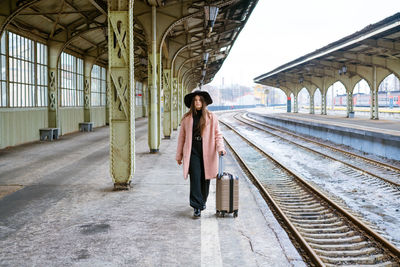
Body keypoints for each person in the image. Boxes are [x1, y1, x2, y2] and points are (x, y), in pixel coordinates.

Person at [176, 89, 226, 218]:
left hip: (208, 151)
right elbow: (182, 137)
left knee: (205, 178)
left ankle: (202, 201)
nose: (197, 102)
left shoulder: (211, 117)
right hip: (192, 151)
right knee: (195, 178)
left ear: (203, 103)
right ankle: (196, 206)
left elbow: (217, 134)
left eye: (199, 100)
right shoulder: (187, 119)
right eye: (195, 100)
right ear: (192, 103)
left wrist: (220, 148)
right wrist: (179, 155)